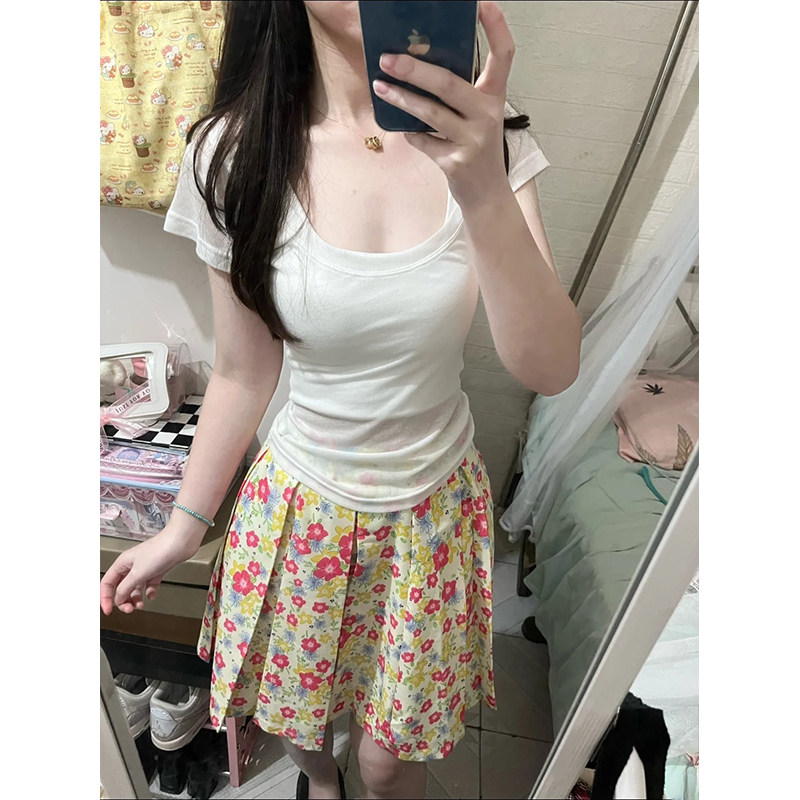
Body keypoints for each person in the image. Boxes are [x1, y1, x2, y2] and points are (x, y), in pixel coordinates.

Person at [99, 2, 581, 798]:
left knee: (389, 763)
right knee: (305, 725)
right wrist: (181, 528)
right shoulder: (233, 152)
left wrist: (482, 187)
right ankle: (321, 785)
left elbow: (551, 366)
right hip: (302, 512)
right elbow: (242, 371)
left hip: (431, 514)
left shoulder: (487, 140)